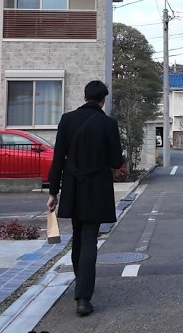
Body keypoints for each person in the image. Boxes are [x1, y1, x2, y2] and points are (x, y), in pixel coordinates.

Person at [46, 80, 127, 316]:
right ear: (103, 99)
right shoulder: (108, 123)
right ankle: (83, 297)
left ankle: (81, 280)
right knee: (90, 238)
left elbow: (58, 158)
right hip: (97, 188)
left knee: (78, 236)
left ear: (85, 97)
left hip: (72, 187)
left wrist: (53, 192)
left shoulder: (67, 120)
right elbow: (115, 161)